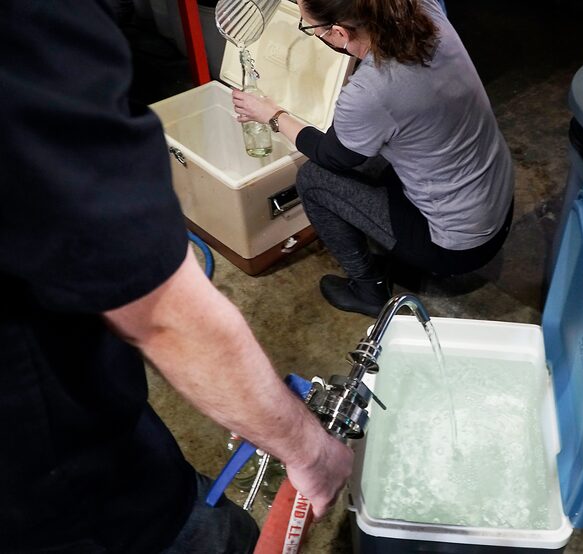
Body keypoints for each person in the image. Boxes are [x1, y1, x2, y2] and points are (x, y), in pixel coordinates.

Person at [0, 2, 352, 553]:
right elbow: (163, 314)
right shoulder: (32, 27)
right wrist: (310, 450)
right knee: (217, 538)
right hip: (68, 494)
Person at [232, 0, 515, 317]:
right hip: (498, 206)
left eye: (309, 28)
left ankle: (369, 291)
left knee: (313, 179)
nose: (310, 33)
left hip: (458, 246)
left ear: (339, 32)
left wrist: (273, 115)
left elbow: (332, 156)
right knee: (381, 148)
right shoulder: (423, 10)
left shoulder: (373, 88)